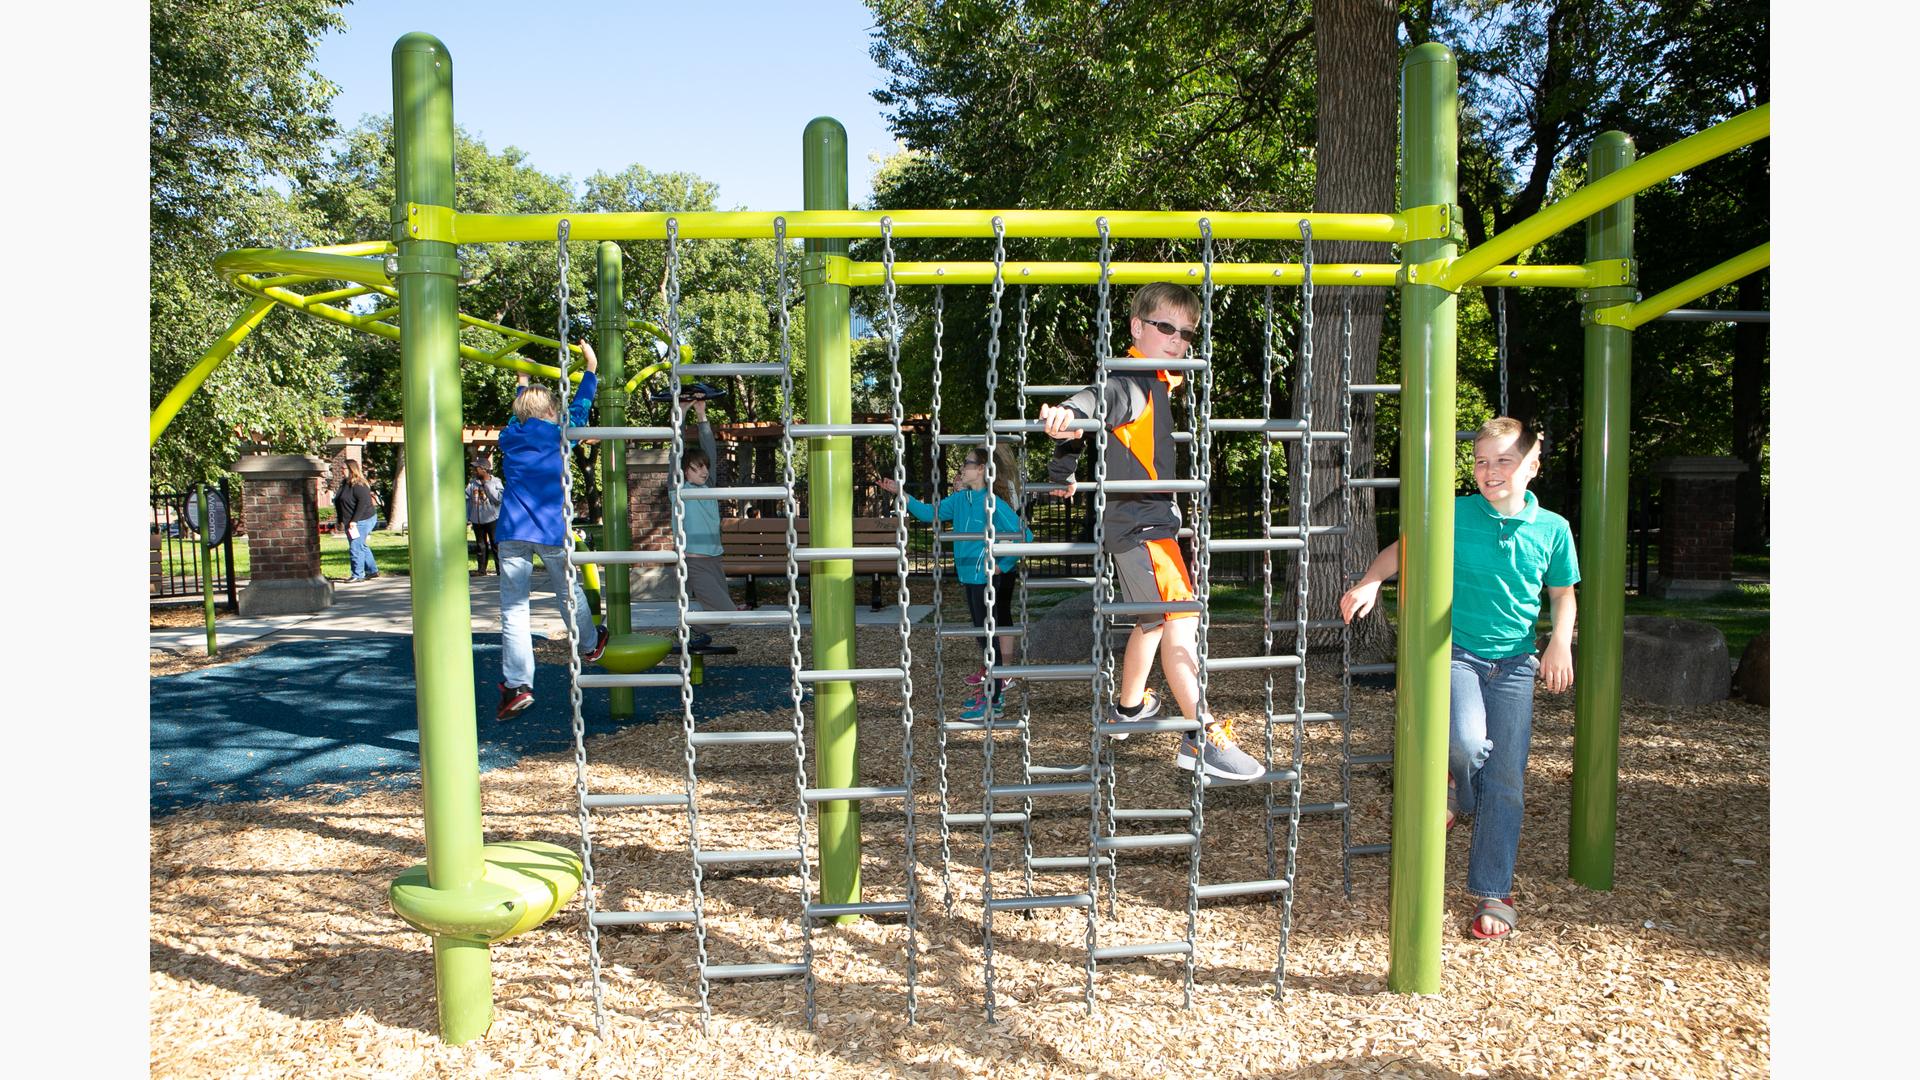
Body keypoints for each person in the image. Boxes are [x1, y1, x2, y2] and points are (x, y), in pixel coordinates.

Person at [1339, 417, 1579, 941]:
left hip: (1516, 664)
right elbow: (1405, 549)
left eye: (1504, 461)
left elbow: (1562, 593)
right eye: (1481, 461)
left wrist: (1559, 641)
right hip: (1458, 654)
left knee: (1509, 781)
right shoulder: (1454, 513)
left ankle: (1495, 889)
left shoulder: (1553, 529)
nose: (1489, 471)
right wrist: (1371, 581)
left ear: (1532, 468)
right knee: (1468, 745)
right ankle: (1460, 794)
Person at [1036, 282, 1262, 783]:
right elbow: (1098, 400)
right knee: (1182, 617)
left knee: (1152, 621)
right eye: (1166, 328)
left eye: (1186, 333)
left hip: (1134, 524)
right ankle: (1200, 735)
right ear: (1138, 327)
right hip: (1145, 526)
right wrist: (1068, 411)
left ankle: (1130, 707)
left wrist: (1062, 471)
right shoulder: (1135, 378)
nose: (1178, 340)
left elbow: (1090, 424)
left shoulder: (1158, 378)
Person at [494, 341, 607, 720]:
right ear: (549, 411)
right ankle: (591, 645)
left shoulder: (509, 436)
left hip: (511, 532)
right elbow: (581, 405)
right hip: (551, 531)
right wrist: (590, 367)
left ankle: (518, 685)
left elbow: (518, 414)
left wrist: (522, 379)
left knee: (514, 611)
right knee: (568, 592)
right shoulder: (561, 432)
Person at [880, 443, 1031, 721]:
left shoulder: (992, 503)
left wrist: (1003, 564)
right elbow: (928, 514)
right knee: (982, 638)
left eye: (968, 462)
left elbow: (1026, 537)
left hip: (986, 578)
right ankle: (991, 694)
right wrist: (900, 492)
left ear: (982, 470)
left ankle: (993, 701)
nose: (963, 467)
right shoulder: (960, 501)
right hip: (969, 576)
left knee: (989, 640)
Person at [676, 393, 737, 650]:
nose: (703, 472)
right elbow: (674, 455)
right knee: (726, 613)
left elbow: (709, 449)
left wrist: (701, 415)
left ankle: (693, 629)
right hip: (695, 562)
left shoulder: (708, 487)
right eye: (696, 468)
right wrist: (679, 416)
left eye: (705, 467)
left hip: (714, 560)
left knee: (725, 615)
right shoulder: (679, 489)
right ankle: (687, 626)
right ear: (684, 471)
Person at [334, 459, 380, 582]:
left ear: (351, 469)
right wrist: (340, 520)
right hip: (350, 520)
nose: (342, 471)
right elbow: (339, 503)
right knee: (361, 545)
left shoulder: (360, 485)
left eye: (343, 468)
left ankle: (358, 574)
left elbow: (363, 504)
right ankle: (372, 570)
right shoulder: (345, 484)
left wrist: (354, 521)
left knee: (355, 546)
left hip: (363, 519)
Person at [466, 462, 502, 575]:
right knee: (480, 545)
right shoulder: (472, 484)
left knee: (496, 544)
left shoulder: (496, 481)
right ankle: (481, 570)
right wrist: (467, 517)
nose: (473, 471)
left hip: (493, 519)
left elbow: (498, 499)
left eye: (476, 469)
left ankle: (500, 570)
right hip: (477, 519)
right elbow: (467, 500)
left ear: (483, 469)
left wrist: (487, 484)